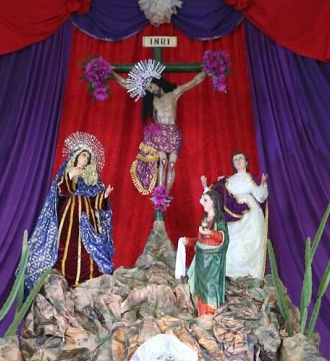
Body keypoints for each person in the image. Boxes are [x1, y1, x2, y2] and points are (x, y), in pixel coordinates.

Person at [25, 132, 114, 289]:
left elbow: (96, 202)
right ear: (76, 156)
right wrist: (71, 174)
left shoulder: (91, 178)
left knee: (88, 250)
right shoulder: (68, 171)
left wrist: (105, 195)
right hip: (69, 215)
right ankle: (64, 283)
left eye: (88, 158)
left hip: (87, 219)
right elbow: (61, 190)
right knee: (66, 247)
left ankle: (86, 285)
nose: (85, 159)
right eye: (83, 155)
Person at [113, 61, 206, 195]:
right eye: (149, 89)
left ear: (157, 82)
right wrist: (111, 72)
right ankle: (160, 193)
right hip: (160, 133)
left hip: (173, 132)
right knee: (163, 162)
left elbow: (194, 81)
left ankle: (166, 193)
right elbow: (125, 83)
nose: (151, 89)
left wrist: (208, 69)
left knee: (172, 165)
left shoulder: (173, 94)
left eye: (151, 86)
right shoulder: (153, 101)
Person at [202, 150, 268, 278]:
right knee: (232, 244)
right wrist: (205, 187)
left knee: (249, 244)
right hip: (231, 214)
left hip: (250, 215)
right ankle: (231, 277)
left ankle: (250, 276)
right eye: (235, 160)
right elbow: (216, 197)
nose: (238, 161)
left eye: (240, 159)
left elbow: (260, 197)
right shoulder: (227, 180)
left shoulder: (250, 178)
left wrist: (263, 184)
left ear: (246, 162)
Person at [176, 188, 228, 316]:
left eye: (205, 200)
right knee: (199, 288)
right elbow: (199, 239)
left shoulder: (219, 221)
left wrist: (211, 233)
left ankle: (210, 314)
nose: (202, 203)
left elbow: (223, 238)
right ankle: (201, 314)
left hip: (212, 262)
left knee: (209, 287)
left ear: (214, 203)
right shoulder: (204, 220)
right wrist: (188, 241)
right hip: (200, 260)